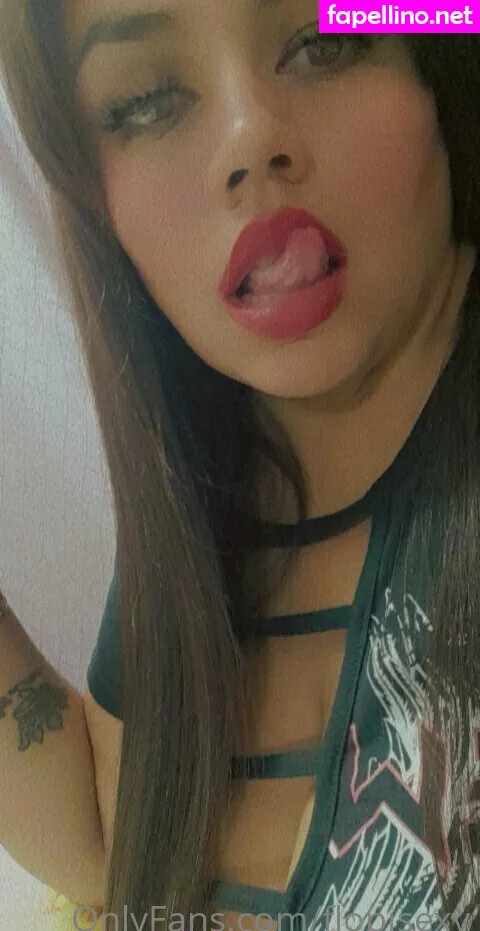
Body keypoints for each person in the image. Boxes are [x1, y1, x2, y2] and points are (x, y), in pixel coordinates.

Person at [1, 3, 480, 929]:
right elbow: (111, 822)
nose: (250, 136)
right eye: (145, 101)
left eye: (326, 40)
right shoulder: (207, 484)